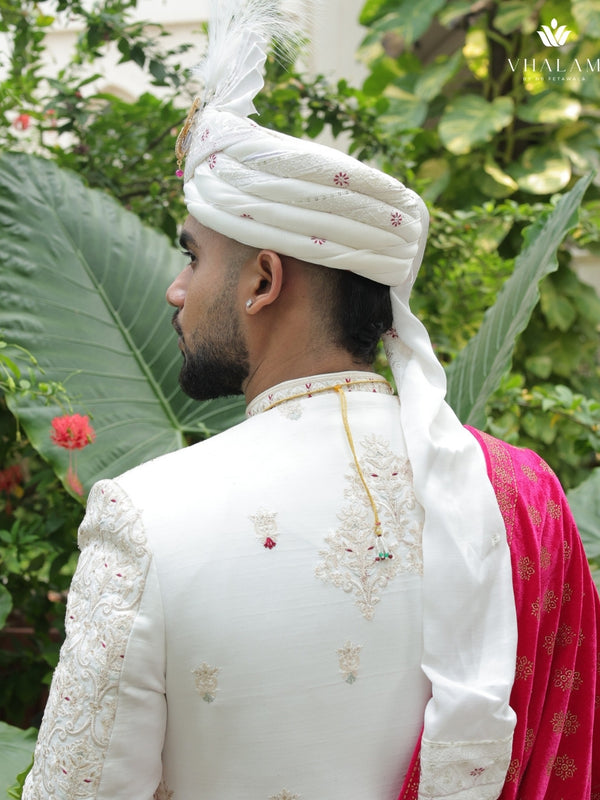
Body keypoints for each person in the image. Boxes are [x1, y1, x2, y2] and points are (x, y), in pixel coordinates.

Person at [22, 1, 600, 798]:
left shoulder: (147, 517)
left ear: (264, 279)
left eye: (195, 257)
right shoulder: (513, 503)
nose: (175, 289)